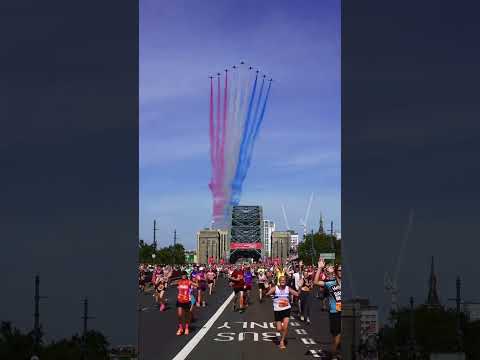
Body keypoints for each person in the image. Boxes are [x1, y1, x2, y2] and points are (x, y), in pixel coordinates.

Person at [314, 257, 342, 359]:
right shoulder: (330, 283)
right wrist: (320, 268)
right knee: (337, 338)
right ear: (336, 271)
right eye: (339, 270)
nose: (341, 272)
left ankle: (335, 353)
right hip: (335, 313)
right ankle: (333, 355)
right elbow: (316, 282)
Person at [265, 275, 299, 350]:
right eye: (281, 280)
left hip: (286, 309)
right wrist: (267, 287)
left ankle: (282, 341)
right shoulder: (275, 288)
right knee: (279, 329)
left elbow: (297, 294)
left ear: (286, 281)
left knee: (285, 327)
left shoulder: (288, 288)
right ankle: (276, 324)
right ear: (279, 281)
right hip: (277, 310)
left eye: (284, 280)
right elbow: (267, 294)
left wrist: (300, 287)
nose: (283, 281)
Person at [173, 271, 197, 336]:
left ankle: (186, 328)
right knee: (180, 315)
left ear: (186, 275)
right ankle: (180, 328)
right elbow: (171, 283)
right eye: (182, 275)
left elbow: (196, 285)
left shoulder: (189, 281)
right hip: (179, 300)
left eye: (184, 275)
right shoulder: (179, 281)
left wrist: (195, 281)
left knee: (187, 315)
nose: (183, 276)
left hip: (187, 301)